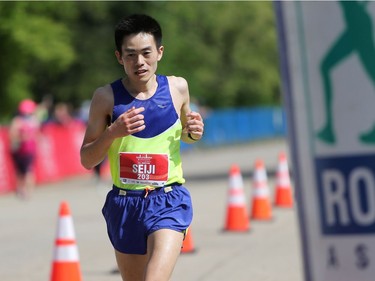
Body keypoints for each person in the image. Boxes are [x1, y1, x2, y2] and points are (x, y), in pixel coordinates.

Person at [80, 14, 204, 281]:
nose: (140, 62)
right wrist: (113, 132)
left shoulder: (178, 88)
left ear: (159, 52)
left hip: (167, 200)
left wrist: (194, 133)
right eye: (131, 55)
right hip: (125, 204)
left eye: (146, 53)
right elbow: (87, 159)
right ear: (119, 57)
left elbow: (186, 132)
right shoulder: (105, 98)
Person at [9, 99, 40, 199]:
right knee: (28, 170)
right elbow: (37, 135)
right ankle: (28, 190)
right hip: (30, 149)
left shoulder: (17, 121)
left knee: (21, 171)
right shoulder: (34, 121)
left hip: (20, 149)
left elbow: (12, 134)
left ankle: (22, 189)